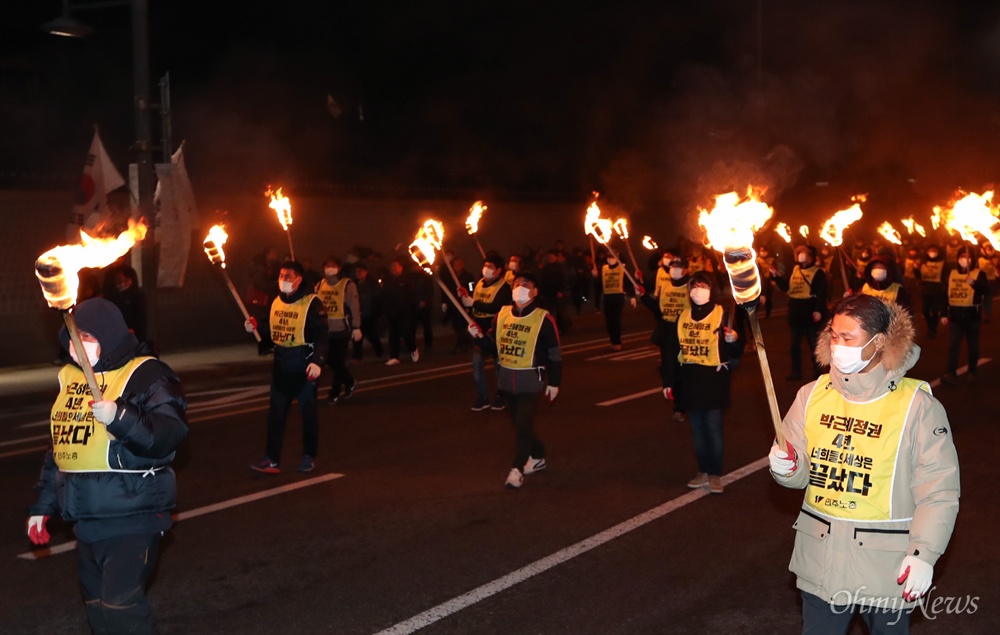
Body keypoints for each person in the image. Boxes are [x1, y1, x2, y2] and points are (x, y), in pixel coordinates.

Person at [768, 294, 959, 633]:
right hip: (820, 564)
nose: (837, 345)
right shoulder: (811, 395)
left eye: (848, 338)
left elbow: (938, 492)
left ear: (879, 341)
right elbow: (800, 473)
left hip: (886, 568)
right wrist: (788, 468)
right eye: (833, 335)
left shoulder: (918, 407)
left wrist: (924, 554)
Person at [27, 297, 188, 634]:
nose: (76, 347)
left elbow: (169, 434)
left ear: (109, 335)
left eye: (87, 337)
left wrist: (121, 416)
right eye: (72, 338)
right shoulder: (72, 379)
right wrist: (42, 507)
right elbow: (61, 447)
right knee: (98, 612)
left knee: (121, 609)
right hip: (86, 520)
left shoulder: (147, 374)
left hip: (133, 516)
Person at [468, 271, 561, 489]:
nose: (520, 287)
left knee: (523, 425)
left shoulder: (543, 318)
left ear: (534, 291)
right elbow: (493, 345)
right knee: (521, 424)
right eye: (517, 283)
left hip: (530, 382)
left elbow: (554, 354)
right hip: (506, 382)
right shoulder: (501, 315)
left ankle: (517, 470)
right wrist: (478, 337)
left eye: (526, 284)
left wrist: (554, 382)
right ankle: (537, 456)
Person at [662, 272, 742, 494]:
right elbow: (671, 352)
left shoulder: (722, 314)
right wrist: (668, 381)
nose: (698, 289)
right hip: (690, 380)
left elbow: (737, 350)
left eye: (703, 285)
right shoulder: (683, 316)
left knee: (713, 428)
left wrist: (733, 340)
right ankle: (703, 471)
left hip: (714, 380)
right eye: (694, 286)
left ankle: (715, 473)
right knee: (697, 430)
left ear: (711, 289)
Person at [248, 260, 329, 473]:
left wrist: (317, 361)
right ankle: (271, 458)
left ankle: (309, 455)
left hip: (303, 367)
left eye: (287, 276)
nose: (282, 280)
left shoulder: (312, 303)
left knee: (308, 414)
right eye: (281, 276)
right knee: (276, 415)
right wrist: (257, 327)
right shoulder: (277, 301)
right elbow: (274, 327)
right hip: (281, 366)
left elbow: (322, 334)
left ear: (299, 279)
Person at [462, 252, 512, 411]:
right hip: (479, 330)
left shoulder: (504, 287)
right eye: (485, 265)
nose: (486, 269)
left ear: (498, 270)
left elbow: (495, 307)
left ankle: (501, 395)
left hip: (496, 331)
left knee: (499, 367)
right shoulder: (479, 283)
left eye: (490, 267)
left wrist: (474, 303)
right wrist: (466, 300)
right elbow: (474, 302)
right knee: (477, 365)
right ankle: (482, 398)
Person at [772, 245, 829, 380]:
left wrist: (819, 309)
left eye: (804, 253)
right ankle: (796, 371)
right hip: (796, 310)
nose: (801, 256)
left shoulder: (818, 272)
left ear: (811, 257)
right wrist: (776, 277)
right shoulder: (795, 269)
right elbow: (787, 287)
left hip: (809, 309)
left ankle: (818, 372)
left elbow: (822, 293)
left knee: (813, 344)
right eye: (799, 253)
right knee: (794, 345)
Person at [316, 257, 362, 404]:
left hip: (341, 329)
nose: (329, 268)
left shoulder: (347, 285)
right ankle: (350, 382)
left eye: (332, 265)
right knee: (332, 361)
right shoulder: (320, 284)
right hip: (325, 330)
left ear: (339, 268)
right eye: (327, 265)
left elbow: (354, 306)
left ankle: (334, 393)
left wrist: (356, 327)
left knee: (337, 361)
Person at [941, 246, 989, 385]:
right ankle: (951, 373)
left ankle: (972, 372)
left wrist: (974, 283)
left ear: (972, 259)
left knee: (972, 345)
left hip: (972, 316)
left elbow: (986, 290)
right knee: (953, 346)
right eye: (961, 256)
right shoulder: (952, 274)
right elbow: (945, 294)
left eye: (967, 257)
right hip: (956, 317)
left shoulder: (979, 273)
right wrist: (944, 313)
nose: (964, 259)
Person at [382, 257, 420, 366]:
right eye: (391, 266)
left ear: (401, 267)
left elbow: (412, 296)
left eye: (395, 266)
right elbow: (384, 296)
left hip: (404, 312)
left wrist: (409, 308)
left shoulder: (407, 280)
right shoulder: (388, 280)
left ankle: (413, 349)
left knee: (405, 333)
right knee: (393, 335)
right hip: (391, 312)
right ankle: (394, 357)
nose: (393, 268)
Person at [247, 247, 280, 355]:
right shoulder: (259, 274)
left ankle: (268, 346)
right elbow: (264, 287)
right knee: (262, 326)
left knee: (268, 324)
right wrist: (277, 283)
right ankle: (263, 348)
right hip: (261, 305)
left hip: (267, 304)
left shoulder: (269, 271)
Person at [600, 253, 636, 350]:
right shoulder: (604, 268)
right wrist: (594, 275)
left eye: (612, 257)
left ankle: (617, 341)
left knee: (616, 319)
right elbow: (599, 283)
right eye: (609, 257)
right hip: (607, 297)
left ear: (617, 258)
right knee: (609, 321)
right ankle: (612, 340)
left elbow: (628, 283)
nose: (610, 259)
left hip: (618, 297)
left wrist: (632, 296)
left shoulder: (622, 268)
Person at [351, 262, 385, 361]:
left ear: (366, 272)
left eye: (360, 271)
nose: (358, 273)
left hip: (368, 314)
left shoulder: (372, 284)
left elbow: (376, 299)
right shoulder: (353, 283)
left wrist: (374, 312)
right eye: (356, 271)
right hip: (357, 313)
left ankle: (379, 351)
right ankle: (357, 356)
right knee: (357, 336)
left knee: (372, 335)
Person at [108, 265, 148, 344]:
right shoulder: (117, 296)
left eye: (120, 280)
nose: (118, 283)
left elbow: (141, 317)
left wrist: (133, 329)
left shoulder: (138, 295)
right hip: (120, 334)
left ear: (129, 280)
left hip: (135, 336)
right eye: (116, 280)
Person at [914, 244, 946, 339]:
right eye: (930, 250)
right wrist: (916, 268)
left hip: (937, 289)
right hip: (926, 289)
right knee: (925, 310)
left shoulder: (942, 262)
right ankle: (930, 326)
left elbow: (944, 275)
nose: (932, 252)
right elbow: (918, 275)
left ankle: (933, 329)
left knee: (935, 311)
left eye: (934, 250)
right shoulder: (923, 262)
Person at [977, 241, 998, 322]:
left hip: (991, 281)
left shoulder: (996, 259)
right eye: (986, 249)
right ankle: (980, 314)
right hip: (982, 281)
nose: (988, 250)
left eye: (990, 249)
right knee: (980, 299)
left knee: (988, 299)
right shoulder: (979, 259)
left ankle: (987, 315)